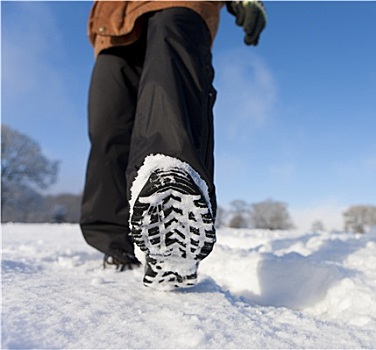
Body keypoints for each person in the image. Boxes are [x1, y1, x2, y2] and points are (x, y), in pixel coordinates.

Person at [80, 1, 266, 290]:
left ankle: (171, 191)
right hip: (113, 20)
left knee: (170, 81)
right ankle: (117, 245)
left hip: (181, 3)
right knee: (109, 125)